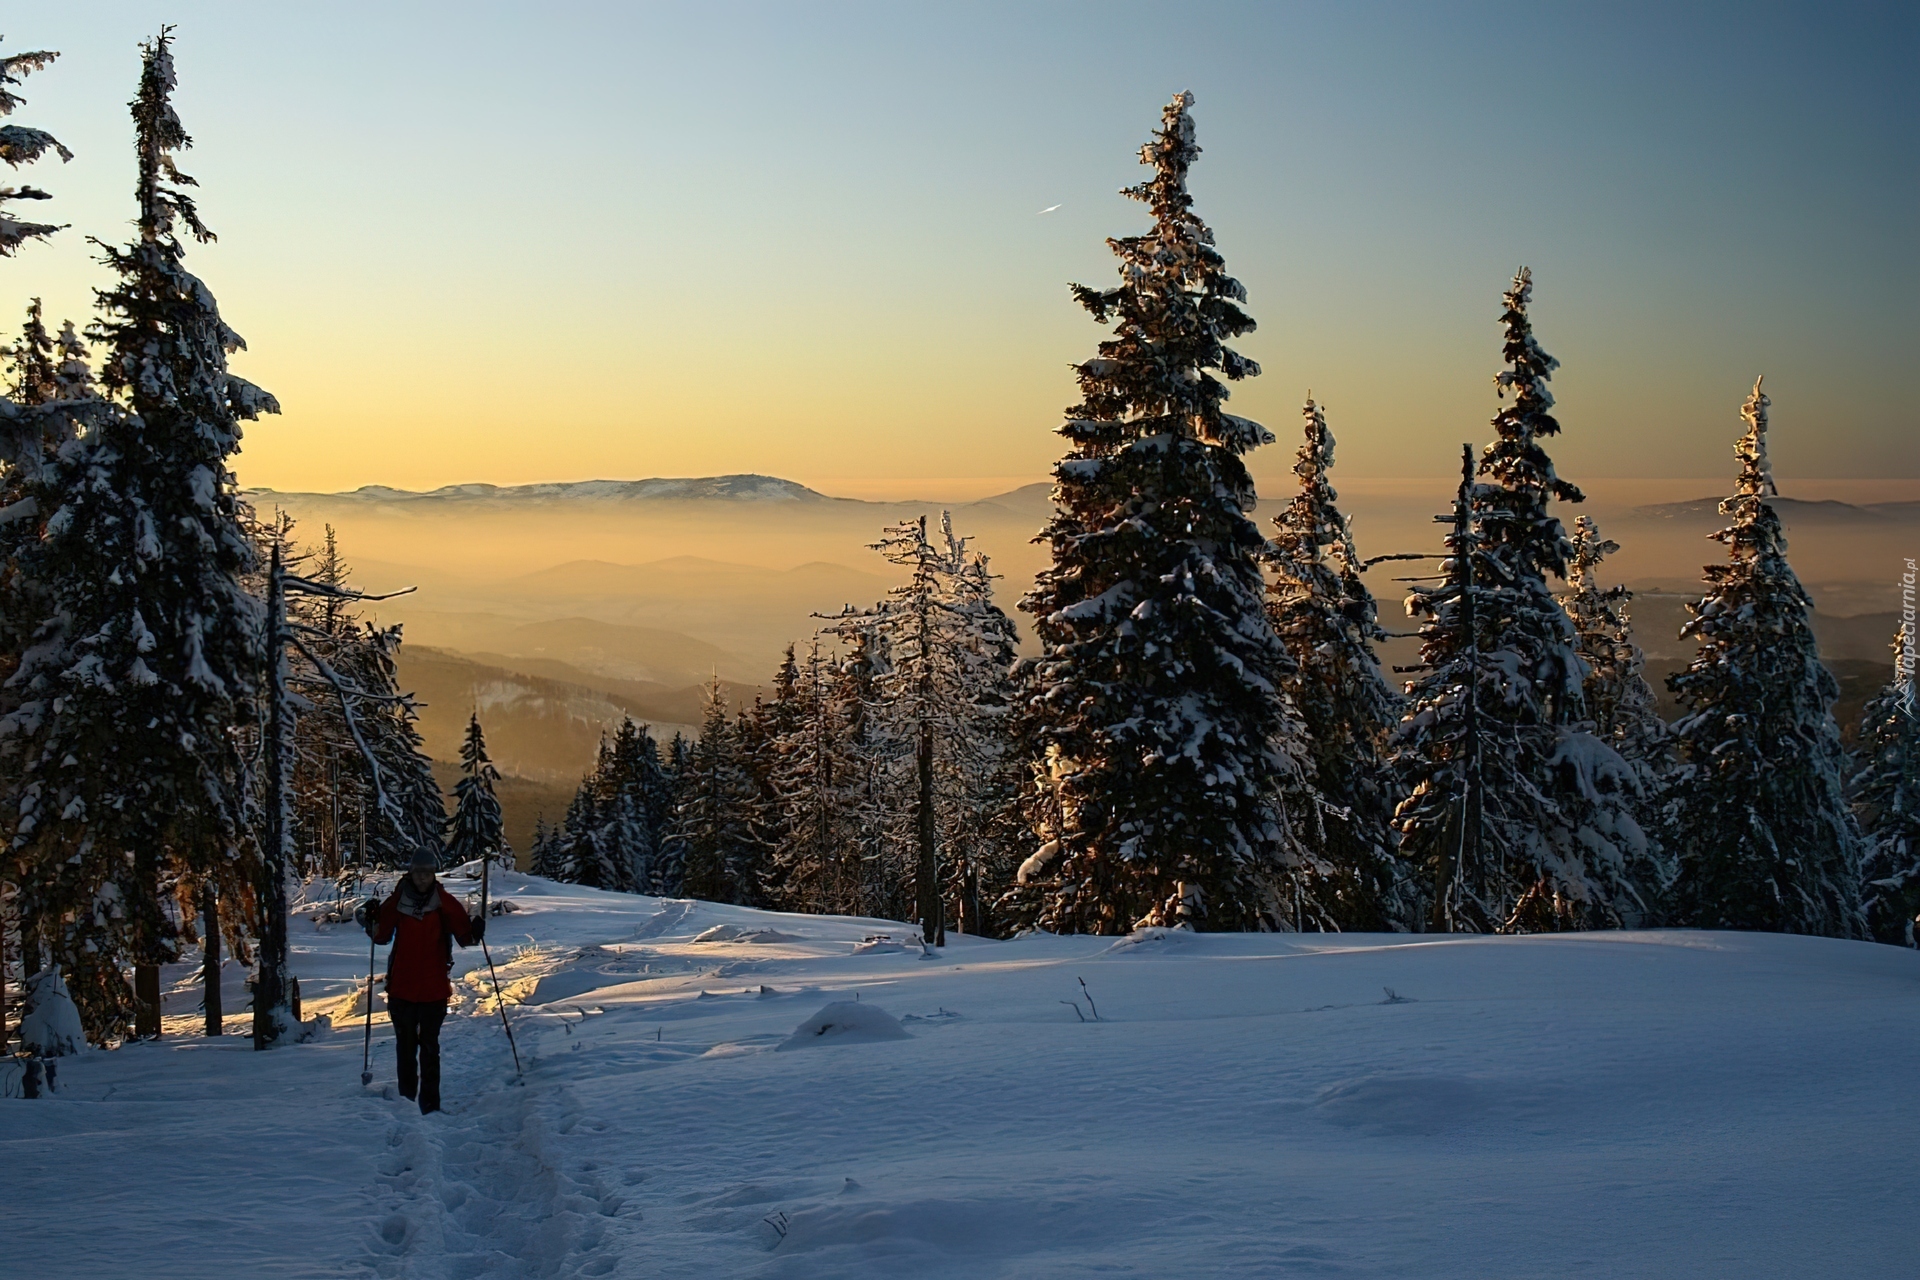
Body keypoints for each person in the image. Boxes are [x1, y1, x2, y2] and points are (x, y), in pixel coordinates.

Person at [355, 849, 483, 1114]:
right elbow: (381, 937)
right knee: (406, 1048)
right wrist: (367, 919)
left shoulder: (444, 902)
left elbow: (465, 937)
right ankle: (408, 1102)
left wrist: (476, 932)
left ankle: (428, 1105)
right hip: (402, 988)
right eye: (418, 873)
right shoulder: (397, 901)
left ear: (433, 874)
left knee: (429, 1048)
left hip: (433, 990)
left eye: (427, 873)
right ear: (411, 873)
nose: (423, 878)